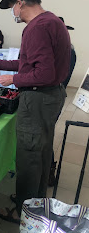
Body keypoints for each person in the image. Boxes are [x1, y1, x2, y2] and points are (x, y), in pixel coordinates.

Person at [0, 0, 70, 224]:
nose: (12, 12)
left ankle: (23, 213)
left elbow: (44, 74)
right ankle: (35, 203)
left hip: (38, 98)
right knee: (41, 151)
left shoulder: (37, 28)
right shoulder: (51, 21)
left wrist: (14, 80)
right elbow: (28, 64)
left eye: (11, 6)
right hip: (51, 97)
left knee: (29, 156)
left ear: (19, 3)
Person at [48, 16, 76, 186]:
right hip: (56, 94)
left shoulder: (67, 51)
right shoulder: (66, 49)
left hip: (53, 96)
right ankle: (49, 172)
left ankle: (49, 173)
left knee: (46, 134)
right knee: (47, 133)